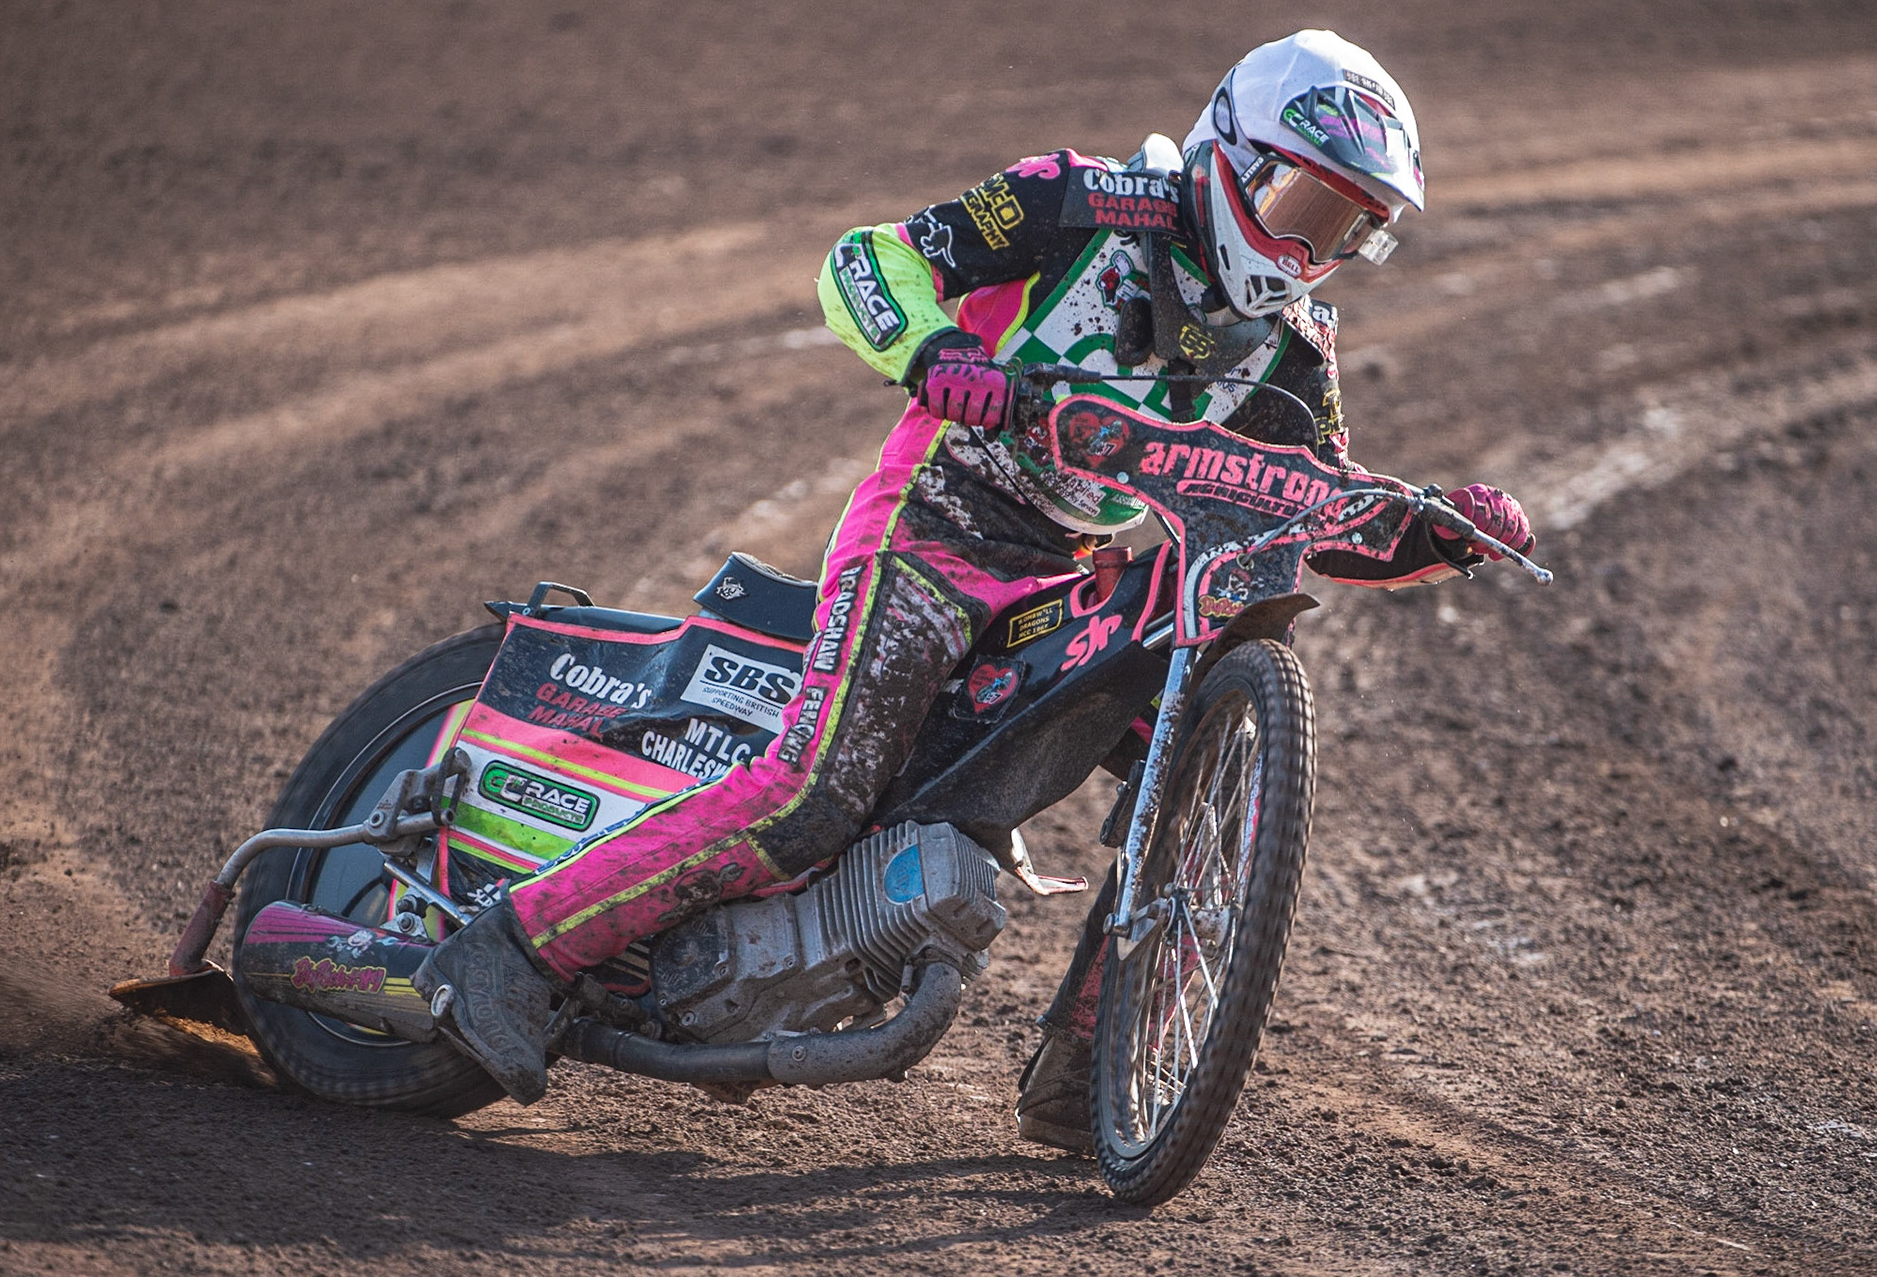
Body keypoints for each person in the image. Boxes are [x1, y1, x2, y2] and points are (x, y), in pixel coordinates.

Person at [411, 30, 1536, 1127]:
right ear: (1227, 150)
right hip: (935, 523)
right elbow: (869, 259)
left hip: (1066, 583)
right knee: (816, 791)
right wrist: (937, 354)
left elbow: (1305, 506)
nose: (1304, 249)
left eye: (1346, 226)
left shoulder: (1295, 349)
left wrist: (1439, 534)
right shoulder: (1077, 202)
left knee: (1196, 769)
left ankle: (1090, 1066)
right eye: (1301, 203)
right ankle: (508, 950)